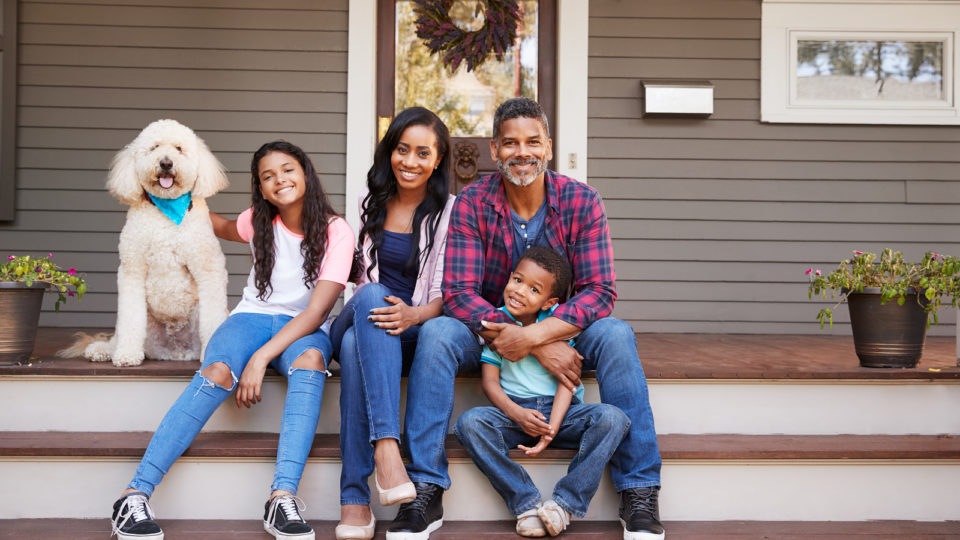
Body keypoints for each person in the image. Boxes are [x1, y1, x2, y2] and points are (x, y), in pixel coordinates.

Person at [391, 97, 664, 540]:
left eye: (533, 141)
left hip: (563, 328)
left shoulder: (582, 201)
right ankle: (425, 487)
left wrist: (538, 334)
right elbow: (459, 294)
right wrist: (527, 339)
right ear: (494, 151)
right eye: (510, 143)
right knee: (438, 331)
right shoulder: (473, 203)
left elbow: (600, 291)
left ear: (549, 147)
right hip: (485, 332)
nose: (523, 152)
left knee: (615, 334)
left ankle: (639, 489)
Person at [108, 141, 355, 540]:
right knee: (219, 370)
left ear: (305, 172)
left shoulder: (336, 230)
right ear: (260, 187)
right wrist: (174, 203)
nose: (280, 180)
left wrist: (259, 360)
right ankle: (134, 494)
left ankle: (282, 498)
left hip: (304, 327)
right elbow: (218, 226)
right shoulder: (258, 219)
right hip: (250, 319)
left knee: (310, 362)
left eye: (288, 170)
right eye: (268, 176)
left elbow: (316, 312)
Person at [329, 107, 455, 540]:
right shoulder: (373, 202)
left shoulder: (450, 213)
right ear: (390, 152)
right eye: (402, 150)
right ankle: (387, 447)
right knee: (369, 294)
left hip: (412, 328)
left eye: (423, 153)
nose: (410, 161)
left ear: (438, 160)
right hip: (361, 314)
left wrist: (414, 314)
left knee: (351, 351)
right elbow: (354, 280)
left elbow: (448, 293)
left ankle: (354, 499)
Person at [454, 246, 630, 537]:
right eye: (518, 280)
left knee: (613, 419)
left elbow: (567, 380)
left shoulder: (554, 327)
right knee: (469, 423)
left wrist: (551, 430)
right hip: (515, 413)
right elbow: (490, 383)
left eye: (534, 289)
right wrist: (516, 413)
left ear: (550, 302)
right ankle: (525, 503)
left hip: (563, 414)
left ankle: (564, 505)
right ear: (509, 278)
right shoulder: (497, 324)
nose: (520, 291)